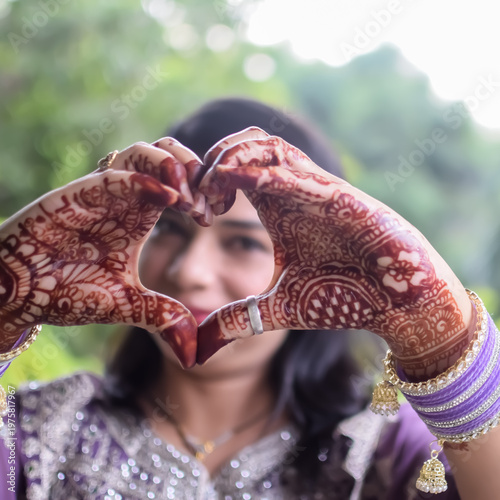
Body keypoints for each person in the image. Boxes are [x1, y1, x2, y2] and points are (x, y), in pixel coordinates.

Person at [0, 97, 497, 499]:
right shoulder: (40, 431)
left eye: (242, 242)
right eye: (169, 230)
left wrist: (439, 331)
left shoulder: (383, 450)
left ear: (324, 265)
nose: (188, 272)